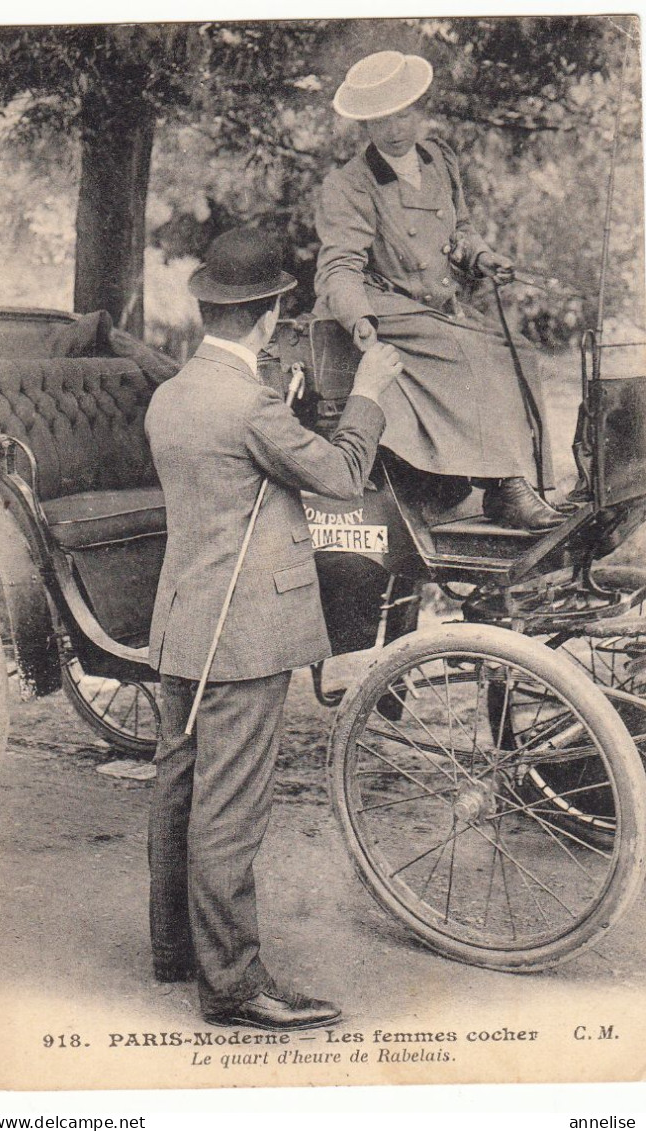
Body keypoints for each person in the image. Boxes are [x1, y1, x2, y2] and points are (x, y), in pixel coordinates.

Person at [145, 226, 402, 1031]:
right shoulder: (251, 405)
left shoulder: (174, 394)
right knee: (232, 808)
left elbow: (232, 470)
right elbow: (342, 475)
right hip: (246, 629)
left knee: (179, 788)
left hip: (185, 622)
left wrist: (281, 411)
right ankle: (233, 985)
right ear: (268, 313)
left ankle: (175, 952)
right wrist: (370, 390)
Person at [315, 50, 563, 531]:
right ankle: (502, 486)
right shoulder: (349, 184)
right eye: (380, 119)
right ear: (365, 126)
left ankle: (531, 481)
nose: (396, 128)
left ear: (418, 107)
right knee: (469, 351)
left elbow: (461, 231)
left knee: (520, 351)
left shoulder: (439, 159)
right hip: (385, 306)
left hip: (439, 305)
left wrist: (481, 257)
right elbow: (339, 266)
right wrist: (359, 319)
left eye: (403, 112)